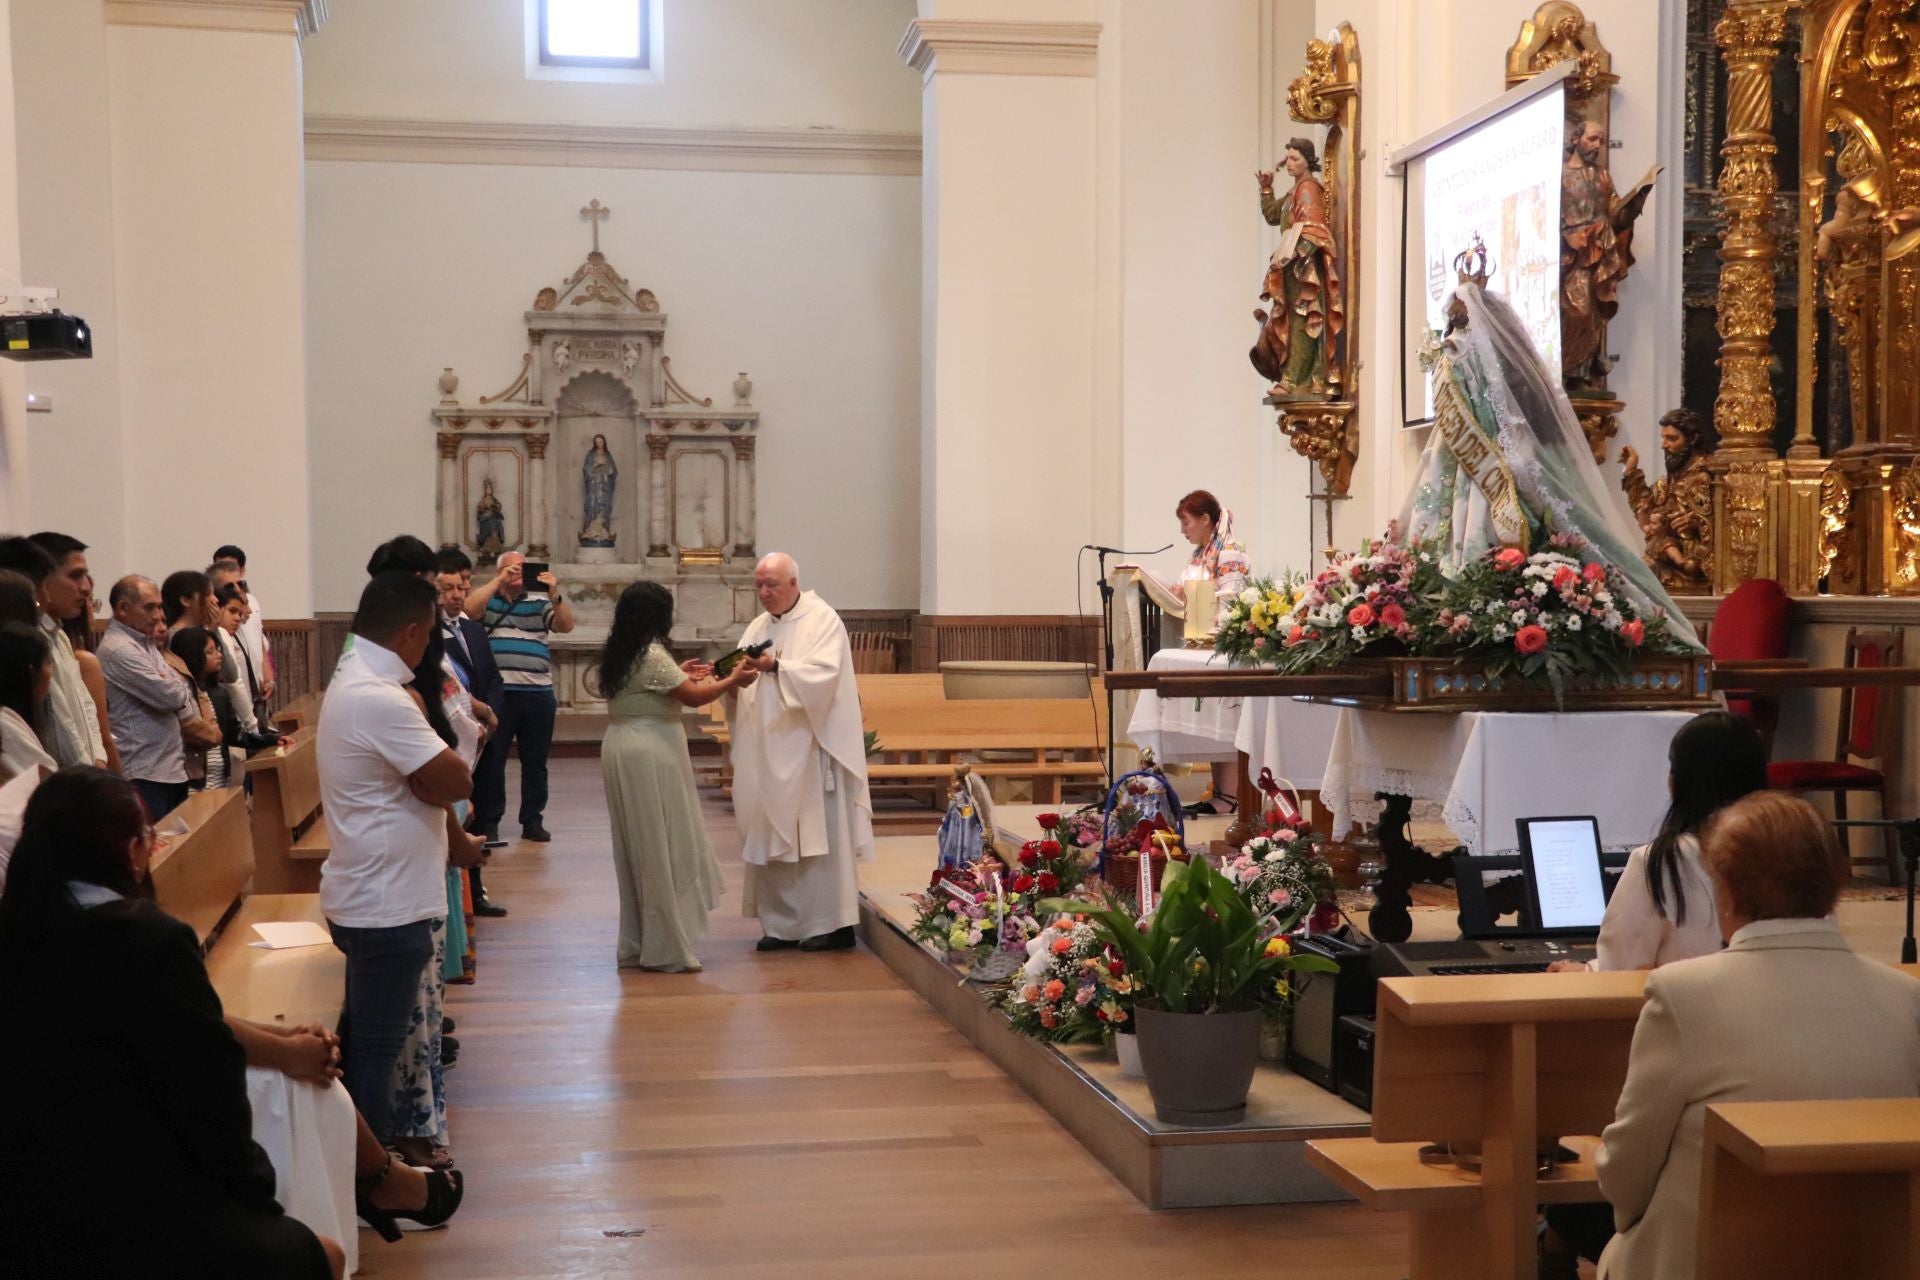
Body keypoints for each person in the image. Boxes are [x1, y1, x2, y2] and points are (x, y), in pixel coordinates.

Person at [0, 768, 345, 1278]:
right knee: (324, 1254)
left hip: (31, 1203)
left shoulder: (21, 929)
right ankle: (381, 1186)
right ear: (132, 852)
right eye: (147, 837)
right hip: (131, 1211)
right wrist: (256, 1199)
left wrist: (277, 1039)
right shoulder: (147, 939)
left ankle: (385, 1180)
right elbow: (209, 1095)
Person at [1592, 792, 1920, 1280]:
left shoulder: (1682, 996)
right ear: (1835, 883)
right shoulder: (1906, 998)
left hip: (1709, 1260)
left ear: (1725, 890)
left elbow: (1625, 1175)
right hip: (1857, 1261)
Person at [1537, 710, 1768, 1275]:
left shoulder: (1661, 862)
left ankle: (1557, 1225)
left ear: (1676, 781)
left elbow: (1622, 980)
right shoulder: (1784, 860)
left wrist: (1577, 975)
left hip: (1673, 1060)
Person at [1397, 264, 1700, 650]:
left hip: (1492, 486)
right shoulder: (1464, 374)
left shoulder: (1511, 418)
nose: (1454, 340)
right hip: (1463, 477)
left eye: (1461, 329)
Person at [316, 572, 473, 1147]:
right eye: (429, 634)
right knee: (373, 1058)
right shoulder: (378, 699)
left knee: (366, 1046)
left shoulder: (357, 680)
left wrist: (426, 783)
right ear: (411, 632)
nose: (430, 645)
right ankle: (371, 1184)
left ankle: (366, 1176)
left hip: (375, 895)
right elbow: (454, 777)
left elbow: (433, 784)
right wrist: (431, 782)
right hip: (387, 906)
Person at [597, 581, 756, 972]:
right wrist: (733, 680)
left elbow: (663, 687)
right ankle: (665, 947)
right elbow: (696, 697)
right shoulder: (652, 654)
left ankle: (638, 942)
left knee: (639, 845)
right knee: (660, 843)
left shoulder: (623, 649)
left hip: (623, 743)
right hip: (649, 750)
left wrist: (680, 674)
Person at [727, 553, 874, 952]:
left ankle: (830, 924)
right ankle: (780, 926)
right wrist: (727, 676)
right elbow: (743, 679)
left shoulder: (822, 619)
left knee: (817, 839)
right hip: (768, 752)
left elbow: (825, 675)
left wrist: (777, 667)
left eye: (771, 584)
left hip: (811, 751)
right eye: (758, 585)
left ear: (793, 583)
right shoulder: (759, 626)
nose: (763, 593)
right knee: (771, 833)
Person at [464, 550, 575, 843]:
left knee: (535, 761)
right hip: (501, 695)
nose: (519, 574)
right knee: (493, 760)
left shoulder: (539, 601)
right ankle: (490, 821)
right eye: (514, 569)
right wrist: (498, 580)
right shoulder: (488, 600)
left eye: (524, 569)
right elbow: (469, 610)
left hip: (538, 693)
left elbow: (565, 625)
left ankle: (532, 820)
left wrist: (554, 594)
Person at [99, 575, 203, 818]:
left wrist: (175, 684)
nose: (158, 615)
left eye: (159, 606)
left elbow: (180, 688)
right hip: (144, 773)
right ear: (123, 608)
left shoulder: (143, 642)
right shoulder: (119, 649)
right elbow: (174, 696)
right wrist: (176, 685)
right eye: (150, 607)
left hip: (169, 769)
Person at [437, 559, 506, 917]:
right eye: (448, 589)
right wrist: (475, 717)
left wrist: (491, 714)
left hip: (483, 734)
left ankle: (476, 892)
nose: (457, 595)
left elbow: (492, 678)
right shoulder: (431, 636)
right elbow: (450, 690)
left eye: (462, 588)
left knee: (480, 814)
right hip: (455, 736)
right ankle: (458, 897)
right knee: (459, 813)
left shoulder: (474, 631)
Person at [1253, 136, 1345, 398]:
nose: (1290, 163)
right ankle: (1293, 376)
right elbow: (1274, 216)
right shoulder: (1295, 191)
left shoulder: (1308, 189)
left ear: (1308, 161)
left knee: (1302, 322)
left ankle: (1296, 378)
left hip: (1304, 269)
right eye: (1289, 158)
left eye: (1296, 158)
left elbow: (1314, 229)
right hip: (1292, 265)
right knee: (1292, 323)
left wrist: (1295, 253)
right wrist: (1266, 189)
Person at [25, 531, 112, 769]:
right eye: (75, 576)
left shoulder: (60, 636)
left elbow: (86, 708)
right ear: (42, 580)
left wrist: (98, 760)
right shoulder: (34, 640)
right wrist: (88, 775)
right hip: (69, 783)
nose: (85, 589)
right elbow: (58, 722)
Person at [214, 544, 275, 721]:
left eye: (231, 568)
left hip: (255, 688)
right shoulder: (215, 605)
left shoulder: (252, 602)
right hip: (231, 689)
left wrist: (268, 677)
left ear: (242, 571)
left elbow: (260, 641)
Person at [170, 626, 234, 790]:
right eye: (210, 651)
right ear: (193, 655)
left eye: (217, 650)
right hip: (195, 780)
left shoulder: (218, 693)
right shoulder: (182, 692)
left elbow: (234, 732)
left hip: (220, 776)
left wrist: (270, 739)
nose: (219, 655)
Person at [0, 621, 56, 781]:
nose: (51, 673)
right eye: (48, 663)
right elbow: (48, 785)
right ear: (30, 671)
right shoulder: (5, 724)